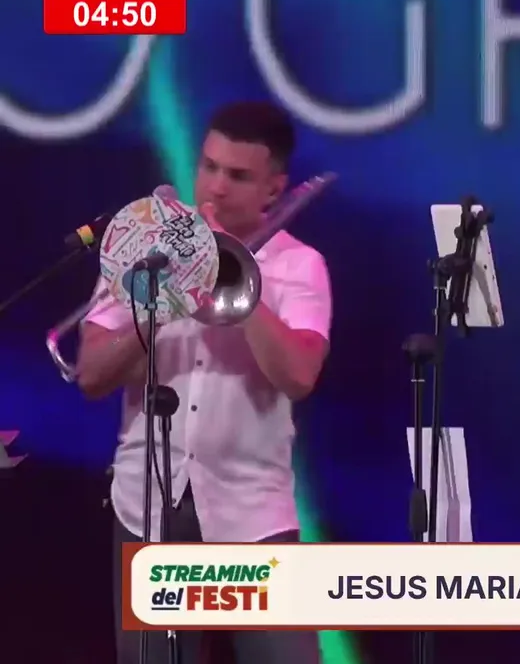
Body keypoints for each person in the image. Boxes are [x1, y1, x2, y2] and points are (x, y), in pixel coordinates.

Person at [77, 101, 331, 664]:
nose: (216, 186)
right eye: (209, 167)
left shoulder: (301, 266)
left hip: (252, 513)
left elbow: (299, 375)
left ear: (273, 189)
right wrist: (165, 299)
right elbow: (91, 374)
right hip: (146, 505)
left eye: (237, 175)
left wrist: (233, 274)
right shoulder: (142, 251)